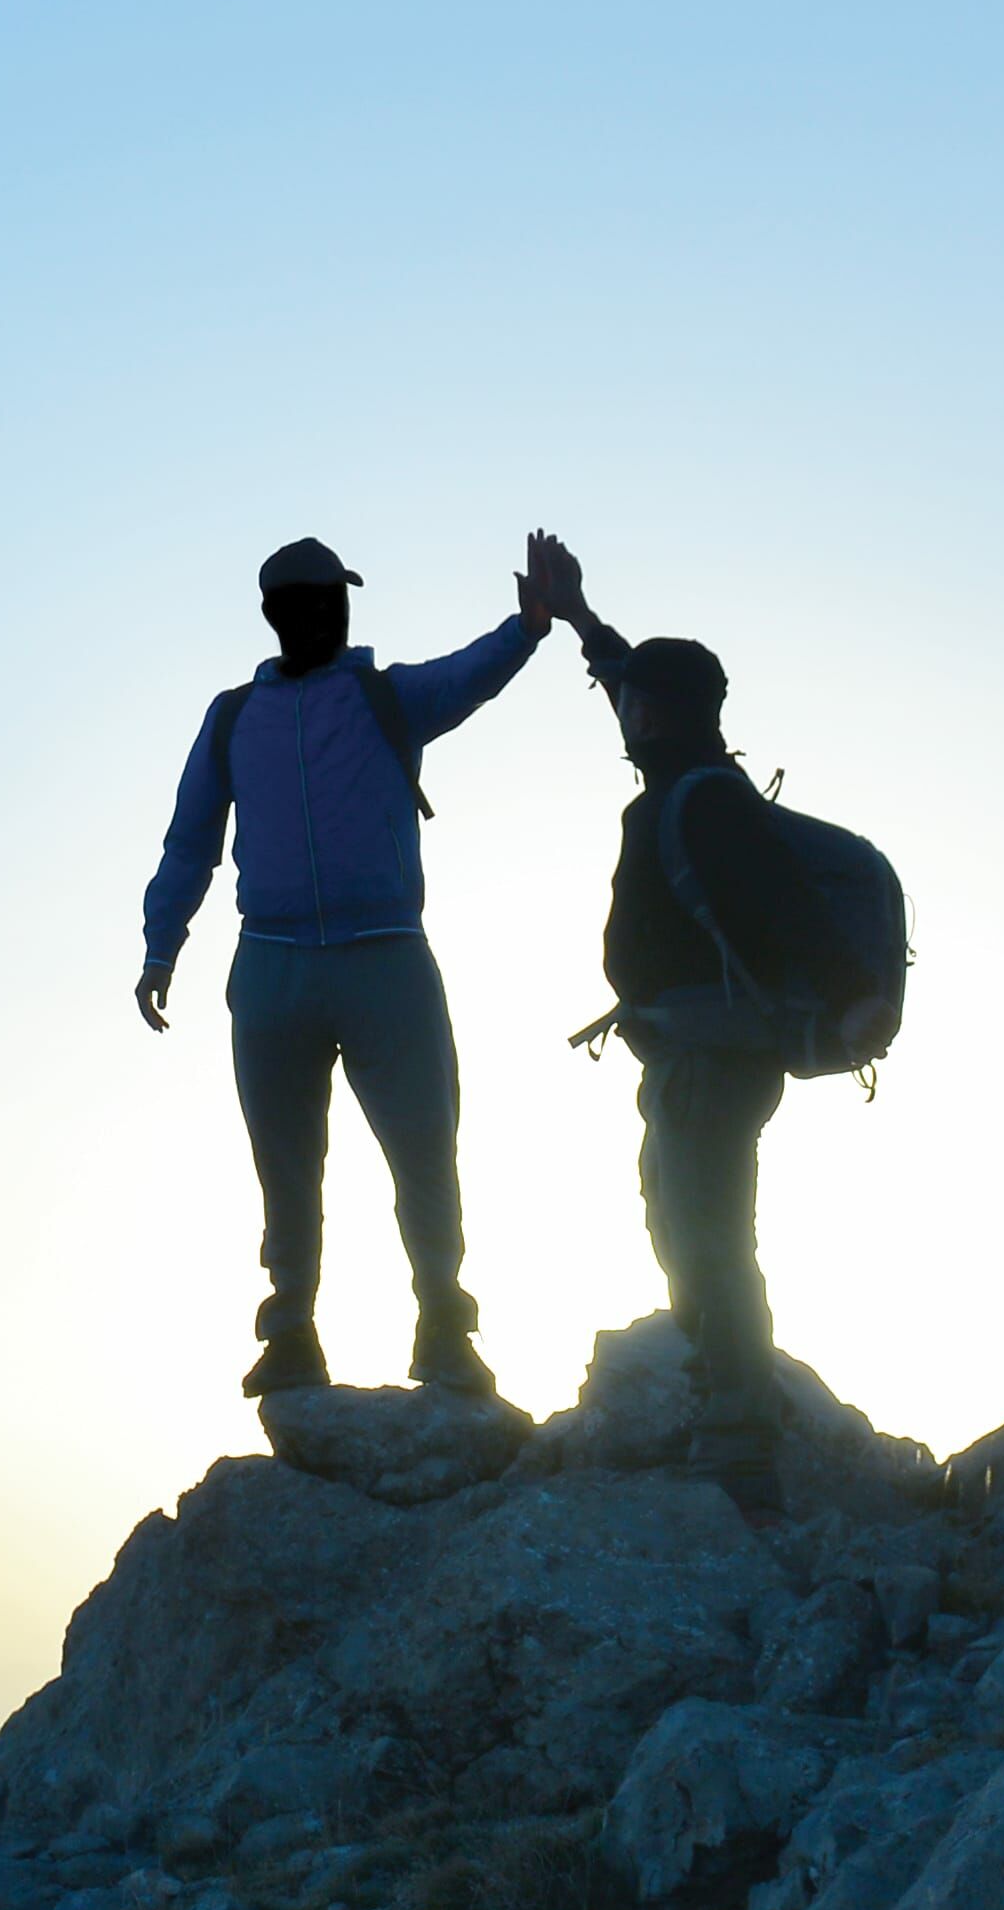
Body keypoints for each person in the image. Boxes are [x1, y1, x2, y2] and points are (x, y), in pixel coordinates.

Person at [136, 533, 559, 1401]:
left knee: (424, 1151)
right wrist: (160, 943)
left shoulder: (383, 696)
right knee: (285, 1164)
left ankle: (444, 1325)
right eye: (318, 599)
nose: (334, 612)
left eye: (340, 598)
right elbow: (190, 844)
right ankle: (292, 1330)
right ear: (277, 614)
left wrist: (530, 626)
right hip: (273, 968)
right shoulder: (230, 720)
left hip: (387, 960)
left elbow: (464, 675)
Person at [513, 534, 826, 1517]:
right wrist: (578, 617)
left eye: (643, 700)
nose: (627, 710)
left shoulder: (706, 800)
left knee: (708, 1233)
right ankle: (728, 1398)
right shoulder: (681, 778)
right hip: (688, 1052)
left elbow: (777, 924)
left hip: (713, 1058)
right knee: (681, 1221)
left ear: (679, 710)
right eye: (629, 696)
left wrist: (750, 1026)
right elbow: (624, 679)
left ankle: (739, 1440)